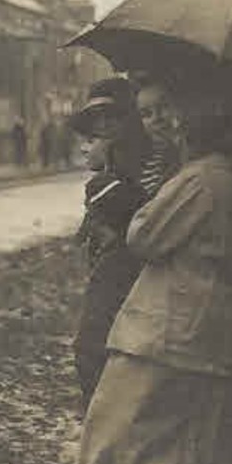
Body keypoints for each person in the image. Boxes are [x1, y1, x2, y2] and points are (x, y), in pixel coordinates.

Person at [79, 85, 232, 464]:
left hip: (171, 326)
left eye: (174, 119)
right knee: (186, 444)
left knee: (140, 441)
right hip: (207, 324)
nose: (166, 127)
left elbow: (144, 236)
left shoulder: (199, 180)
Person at [69, 77, 151, 405]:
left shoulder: (113, 185)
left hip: (122, 272)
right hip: (115, 272)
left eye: (96, 135)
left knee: (94, 347)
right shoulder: (114, 176)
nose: (86, 145)